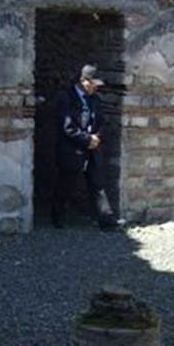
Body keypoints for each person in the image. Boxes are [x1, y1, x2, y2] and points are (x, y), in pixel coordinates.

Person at [51, 64, 120, 230]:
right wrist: (86, 139)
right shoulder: (66, 97)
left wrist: (96, 137)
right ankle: (57, 217)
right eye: (94, 83)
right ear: (83, 81)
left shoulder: (95, 99)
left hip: (91, 148)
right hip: (72, 149)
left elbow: (101, 121)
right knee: (66, 184)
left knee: (97, 185)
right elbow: (67, 126)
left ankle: (107, 221)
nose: (96, 87)